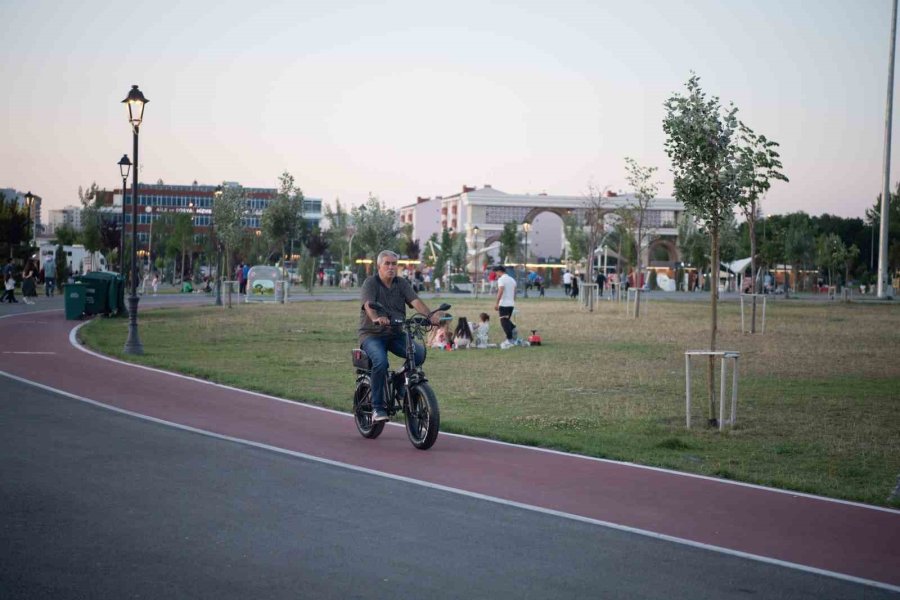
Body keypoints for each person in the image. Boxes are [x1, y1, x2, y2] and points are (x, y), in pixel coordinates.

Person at [359, 250, 443, 422]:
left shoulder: (401, 283)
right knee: (381, 362)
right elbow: (368, 305)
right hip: (372, 334)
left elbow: (416, 301)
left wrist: (429, 316)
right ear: (379, 266)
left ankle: (398, 384)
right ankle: (377, 408)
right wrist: (376, 318)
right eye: (387, 263)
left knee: (418, 354)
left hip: (395, 333)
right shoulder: (371, 283)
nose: (391, 267)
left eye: (394, 264)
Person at [493, 265, 517, 349]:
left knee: (504, 322)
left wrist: (497, 303)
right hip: (511, 304)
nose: (496, 274)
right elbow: (514, 292)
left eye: (496, 272)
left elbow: (500, 291)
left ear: (499, 271)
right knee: (506, 321)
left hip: (504, 304)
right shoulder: (512, 280)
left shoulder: (501, 279)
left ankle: (509, 340)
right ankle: (513, 329)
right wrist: (513, 302)